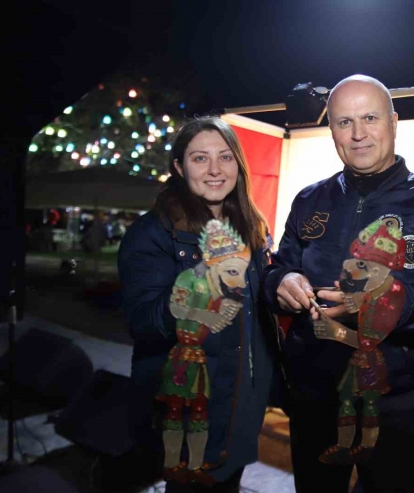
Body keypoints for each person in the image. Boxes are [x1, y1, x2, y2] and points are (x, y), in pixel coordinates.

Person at [261, 75, 414, 493]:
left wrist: (387, 302)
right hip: (313, 395)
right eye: (344, 122)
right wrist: (281, 281)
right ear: (331, 131)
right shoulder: (309, 199)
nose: (358, 134)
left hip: (392, 403)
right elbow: (276, 270)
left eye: (369, 118)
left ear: (394, 122)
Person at [118, 116, 278, 492]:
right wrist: (205, 276)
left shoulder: (250, 227)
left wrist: (284, 280)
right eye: (199, 158)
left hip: (242, 399)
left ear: (238, 164)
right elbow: (143, 323)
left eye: (225, 157)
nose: (215, 170)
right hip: (192, 401)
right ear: (178, 166)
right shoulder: (151, 233)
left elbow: (253, 312)